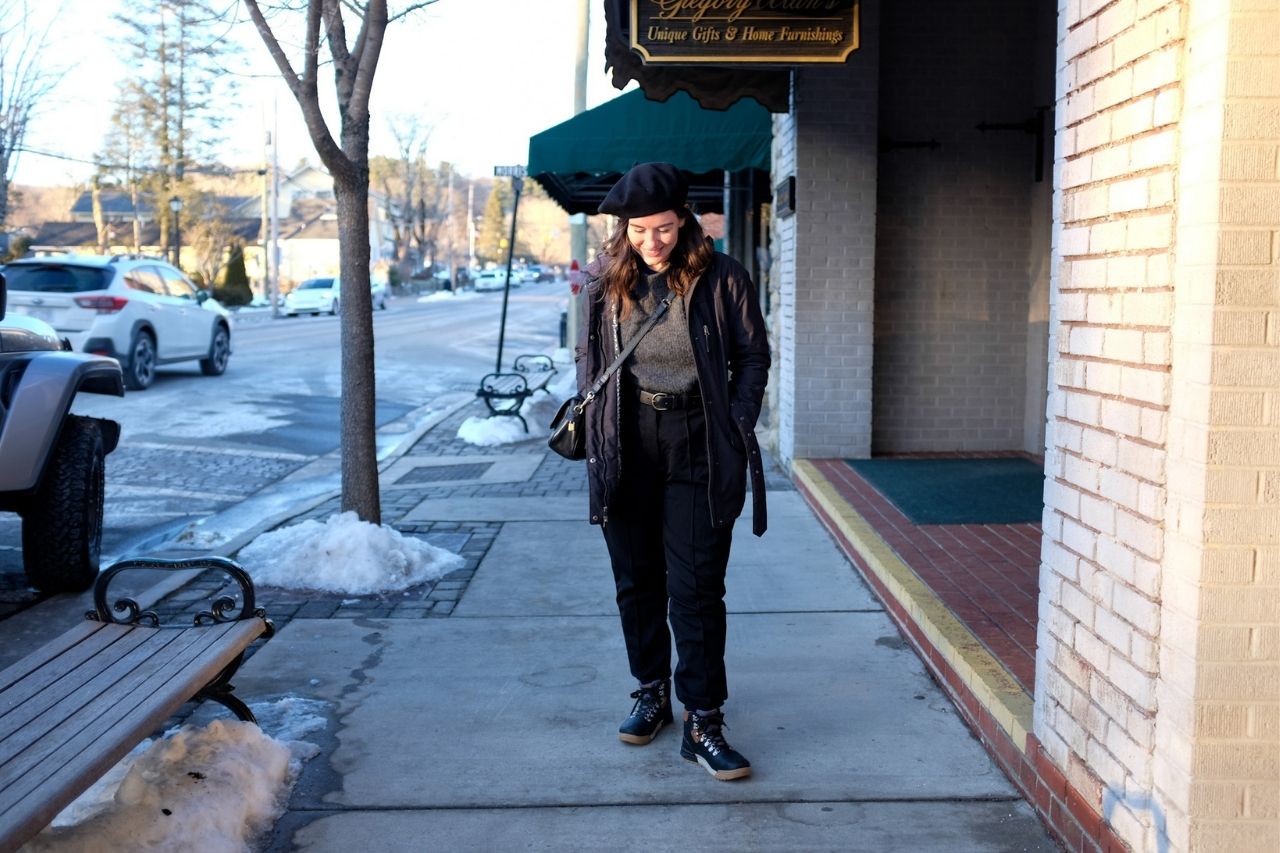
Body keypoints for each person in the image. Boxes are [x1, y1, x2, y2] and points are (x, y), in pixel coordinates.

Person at [574, 162, 770, 781]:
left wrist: (738, 423)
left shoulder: (722, 276)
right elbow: (590, 362)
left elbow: (752, 355)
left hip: (699, 441)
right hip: (628, 441)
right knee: (636, 581)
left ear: (683, 220)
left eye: (662, 228)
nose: (651, 242)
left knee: (696, 588)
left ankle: (704, 717)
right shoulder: (608, 282)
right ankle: (651, 690)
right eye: (638, 231)